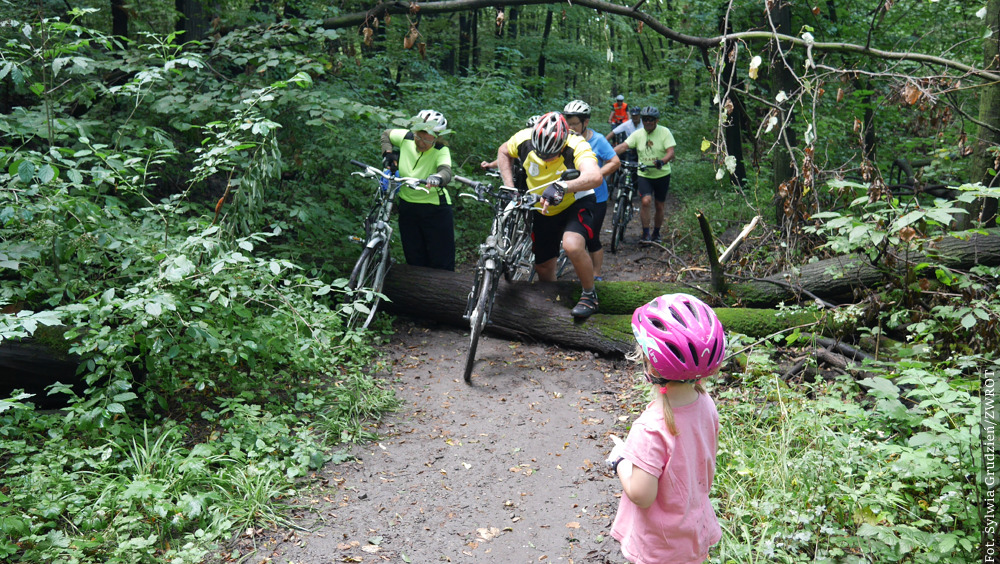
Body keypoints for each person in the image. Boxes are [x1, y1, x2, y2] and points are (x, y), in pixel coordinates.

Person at [605, 293, 726, 563]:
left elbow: (641, 494)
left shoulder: (650, 427)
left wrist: (620, 461)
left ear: (650, 362)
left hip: (662, 545)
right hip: (694, 529)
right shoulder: (706, 404)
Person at [495, 111, 604, 318]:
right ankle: (552, 299)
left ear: (563, 143)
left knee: (572, 244)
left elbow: (595, 176)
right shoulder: (523, 139)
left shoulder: (577, 144)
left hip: (575, 200)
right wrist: (509, 187)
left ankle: (590, 295)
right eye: (542, 153)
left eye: (552, 154)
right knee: (543, 266)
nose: (547, 158)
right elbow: (503, 152)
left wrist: (563, 186)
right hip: (542, 204)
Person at [381, 109, 456, 271]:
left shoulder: (440, 149)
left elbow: (446, 171)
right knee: (414, 256)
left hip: (435, 209)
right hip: (408, 206)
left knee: (441, 259)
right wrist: (388, 154)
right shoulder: (407, 137)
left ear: (437, 137)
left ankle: (444, 292)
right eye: (418, 136)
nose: (421, 142)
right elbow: (386, 134)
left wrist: (438, 177)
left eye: (427, 139)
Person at [562, 100, 620, 281]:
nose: (570, 127)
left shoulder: (598, 140)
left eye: (574, 124)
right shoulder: (564, 140)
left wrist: (595, 174)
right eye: (567, 123)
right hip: (570, 197)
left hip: (596, 198)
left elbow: (615, 162)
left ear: (585, 122)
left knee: (592, 237)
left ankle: (596, 275)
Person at [612, 106, 675, 243]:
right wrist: (608, 154)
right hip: (644, 174)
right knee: (646, 201)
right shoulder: (638, 134)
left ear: (656, 120)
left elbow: (671, 152)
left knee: (659, 205)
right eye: (645, 119)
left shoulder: (664, 132)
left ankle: (656, 233)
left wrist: (662, 161)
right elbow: (623, 146)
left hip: (662, 174)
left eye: (651, 120)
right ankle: (645, 233)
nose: (647, 122)